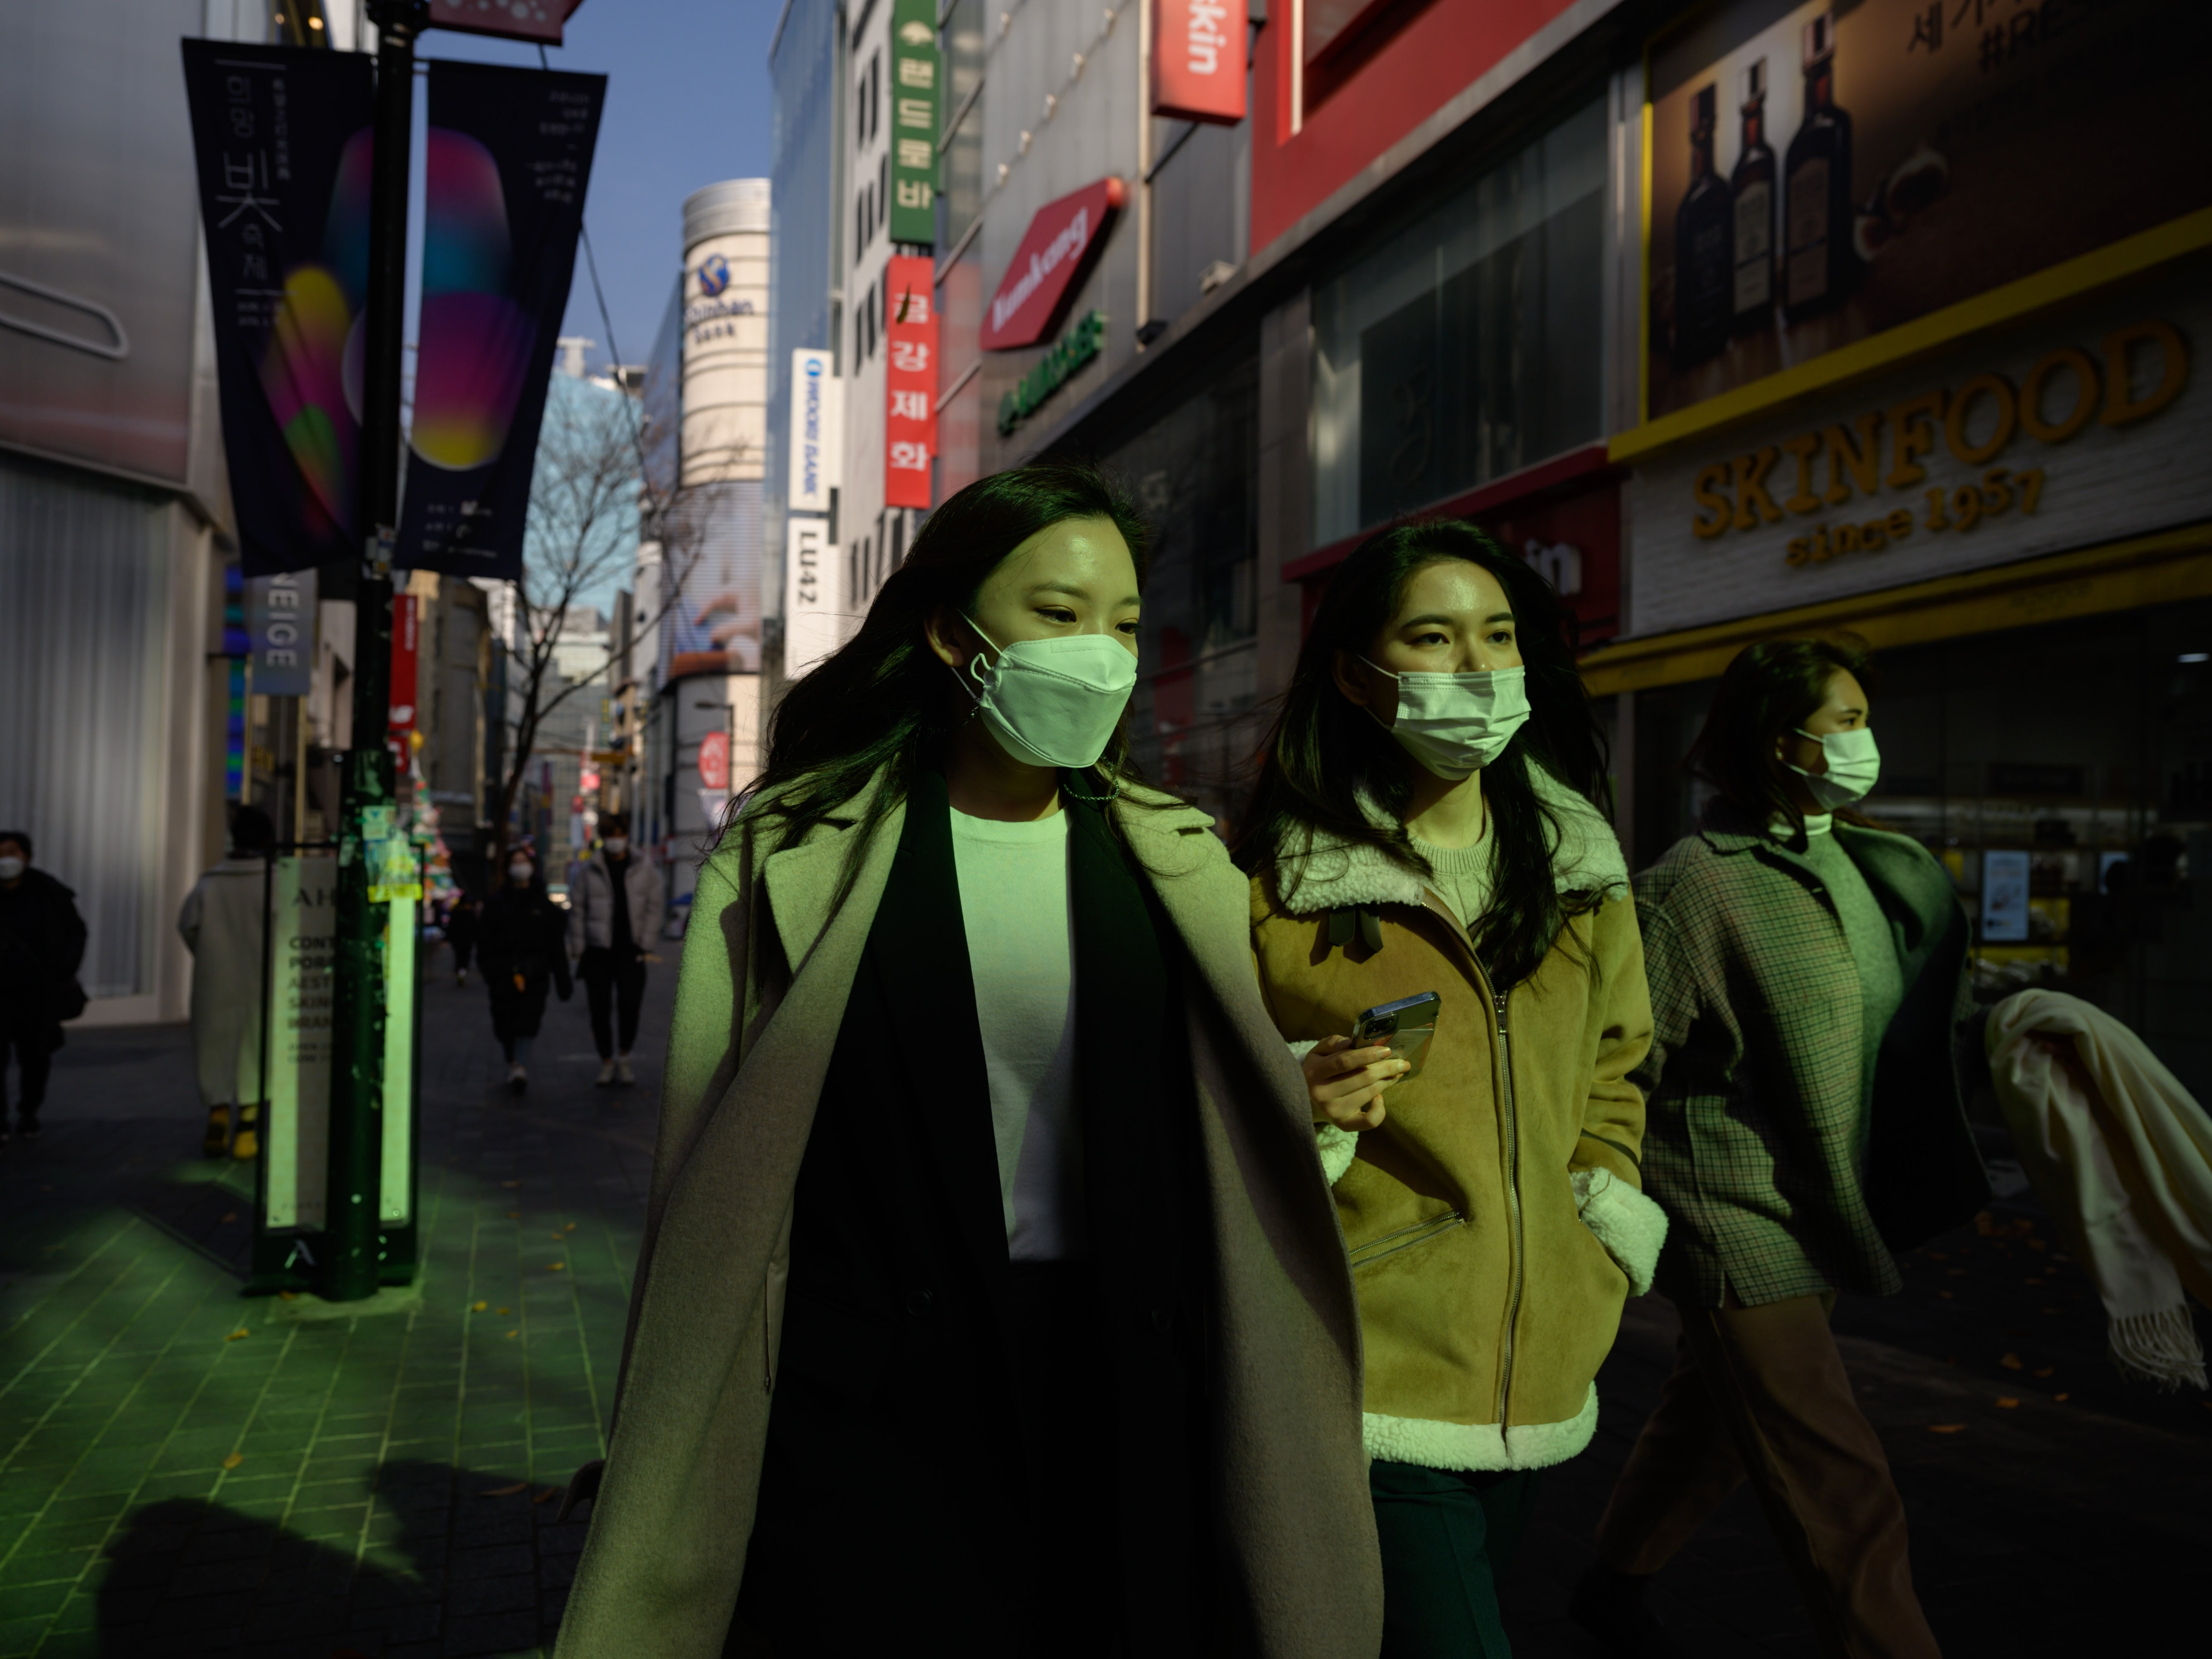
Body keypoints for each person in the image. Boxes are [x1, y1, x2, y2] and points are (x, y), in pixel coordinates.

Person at [551, 463, 1380, 1659]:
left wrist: (1295, 1099)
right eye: (1057, 614)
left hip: (1123, 1398)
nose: (1100, 654)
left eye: (1125, 624)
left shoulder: (1179, 865)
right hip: (876, 1420)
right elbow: (716, 1176)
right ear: (950, 630)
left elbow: (1179, 1124)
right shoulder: (796, 858)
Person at [1234, 519, 1663, 1659]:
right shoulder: (1276, 883)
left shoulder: (1578, 867)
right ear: (1357, 677)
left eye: (1499, 636)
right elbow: (1203, 1090)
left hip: (1546, 1361)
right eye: (1432, 638)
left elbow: (1620, 1063)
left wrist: (1603, 1215)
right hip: (1366, 1364)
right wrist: (1299, 1098)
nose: (1478, 671)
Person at [1572, 638, 1986, 1659]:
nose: (1861, 743)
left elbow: (1909, 1018)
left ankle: (1609, 1583)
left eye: (1862, 718)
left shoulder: (1858, 860)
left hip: (1824, 1200)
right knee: (1838, 1477)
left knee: (1713, 1420)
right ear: (1773, 739)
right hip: (1733, 1216)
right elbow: (1619, 1058)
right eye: (1839, 723)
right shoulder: (1692, 888)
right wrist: (1611, 1198)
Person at [177, 806, 277, 1158]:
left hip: (215, 981)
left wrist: (208, 955)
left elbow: (188, 926)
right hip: (267, 981)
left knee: (214, 1048)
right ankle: (247, 1129)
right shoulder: (277, 882)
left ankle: (217, 1114)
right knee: (259, 1048)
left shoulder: (209, 883)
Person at [0, 829, 88, 1146]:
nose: (7, 859)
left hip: (37, 993)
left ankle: (28, 1112)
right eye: (1, 852)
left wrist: (64, 968)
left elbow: (76, 931)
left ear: (26, 856)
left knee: (35, 1058)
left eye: (13, 852)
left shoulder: (48, 891)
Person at [566, 810, 661, 1086]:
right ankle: (607, 1061)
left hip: (631, 951)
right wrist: (579, 948)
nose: (615, 841)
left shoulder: (644, 867)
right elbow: (578, 911)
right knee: (599, 1010)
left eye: (619, 835)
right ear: (602, 838)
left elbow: (655, 906)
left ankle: (624, 1056)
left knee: (630, 1006)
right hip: (598, 952)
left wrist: (645, 942)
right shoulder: (589, 870)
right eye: (609, 835)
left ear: (627, 835)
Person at [479, 843, 572, 1094]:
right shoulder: (497, 903)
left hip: (536, 974)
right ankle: (513, 1061)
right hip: (502, 973)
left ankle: (519, 1065)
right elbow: (485, 940)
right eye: (515, 862)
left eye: (524, 861)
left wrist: (563, 980)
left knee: (529, 1020)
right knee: (504, 1021)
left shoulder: (544, 904)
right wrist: (489, 969)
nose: (520, 867)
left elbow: (556, 946)